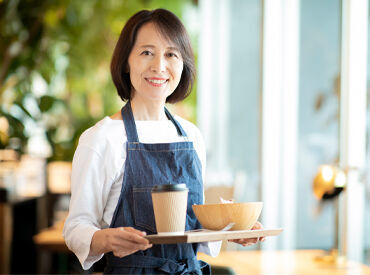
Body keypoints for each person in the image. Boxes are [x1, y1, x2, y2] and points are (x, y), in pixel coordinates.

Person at [63, 8, 264, 274]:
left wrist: (230, 230)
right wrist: (107, 239)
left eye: (171, 54)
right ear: (126, 62)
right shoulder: (102, 138)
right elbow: (76, 228)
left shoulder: (191, 136)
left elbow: (192, 228)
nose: (159, 66)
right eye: (147, 52)